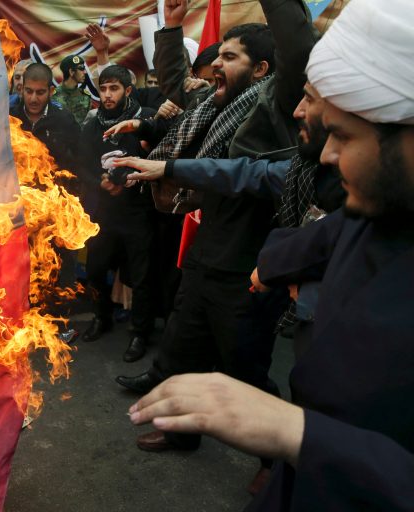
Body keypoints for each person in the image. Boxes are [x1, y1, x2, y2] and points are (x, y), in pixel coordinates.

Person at [129, 1, 414, 508]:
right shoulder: (376, 209)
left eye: (343, 134)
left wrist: (295, 434)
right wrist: (275, 265)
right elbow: (321, 231)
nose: (324, 152)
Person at [105, 0, 317, 494]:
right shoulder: (214, 107)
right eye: (216, 56)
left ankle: (277, 459)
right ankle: (184, 434)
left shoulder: (274, 105)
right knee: (183, 349)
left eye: (231, 57)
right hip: (205, 256)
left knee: (243, 368)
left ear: (262, 69)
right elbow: (178, 87)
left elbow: (298, 48)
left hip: (247, 268)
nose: (216, 65)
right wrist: (172, 29)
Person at [77, 65, 163, 362]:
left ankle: (140, 332)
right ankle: (102, 317)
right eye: (103, 89)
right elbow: (83, 164)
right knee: (95, 269)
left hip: (139, 211)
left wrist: (131, 181)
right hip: (105, 213)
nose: (107, 95)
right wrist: (98, 182)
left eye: (114, 89)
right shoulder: (92, 124)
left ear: (128, 90)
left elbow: (161, 158)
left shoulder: (147, 119)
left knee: (142, 276)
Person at [9, 63, 79, 174]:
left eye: (40, 93)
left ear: (50, 91)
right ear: (22, 89)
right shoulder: (10, 118)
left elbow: (80, 162)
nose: (33, 99)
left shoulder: (65, 120)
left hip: (54, 189)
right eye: (29, 91)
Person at [53, 54, 92, 126]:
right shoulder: (53, 96)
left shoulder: (85, 95)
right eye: (81, 68)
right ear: (71, 72)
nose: (85, 72)